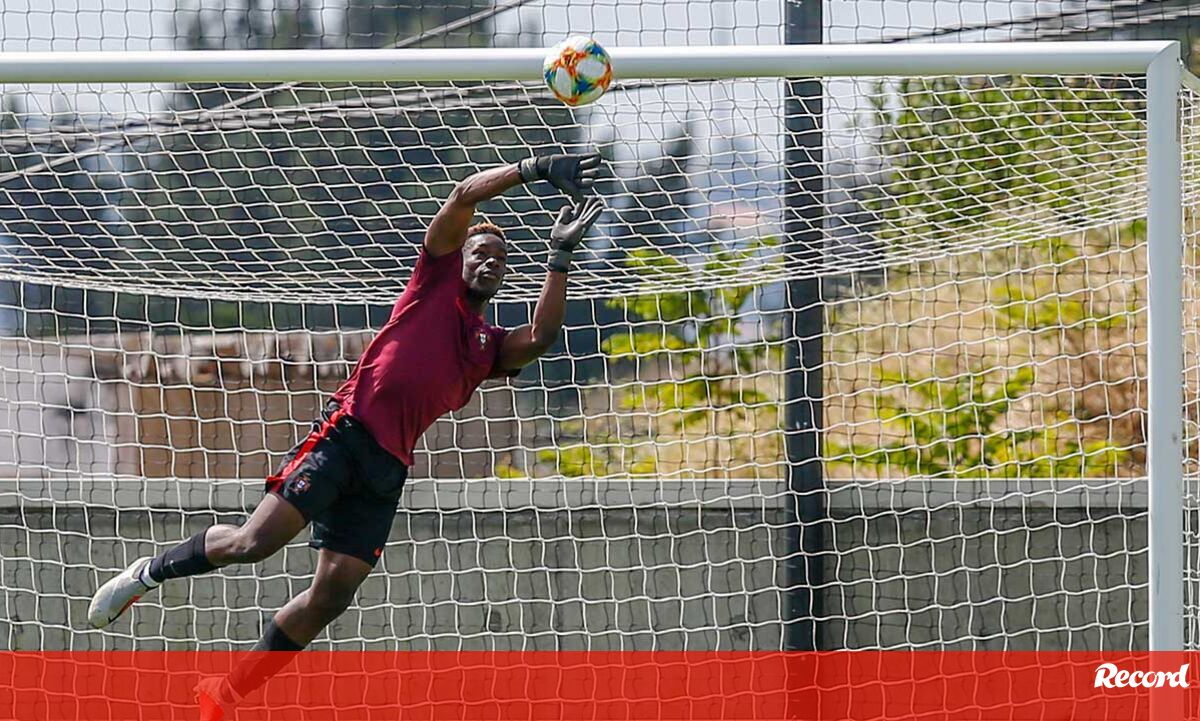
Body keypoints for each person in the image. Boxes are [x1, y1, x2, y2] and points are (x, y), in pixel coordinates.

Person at [87, 152, 605, 719]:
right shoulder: (433, 282)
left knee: (332, 596)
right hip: (344, 437)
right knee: (253, 544)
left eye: (500, 259)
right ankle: (147, 574)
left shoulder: (489, 346)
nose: (490, 262)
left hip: (386, 470)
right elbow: (463, 195)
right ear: (457, 257)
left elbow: (540, 337)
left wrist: (559, 257)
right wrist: (533, 169)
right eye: (480, 252)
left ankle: (225, 692)